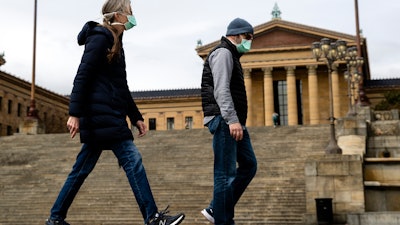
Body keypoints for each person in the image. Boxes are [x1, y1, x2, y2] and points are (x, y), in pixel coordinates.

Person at [45, 1, 185, 225]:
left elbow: (121, 86)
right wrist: (74, 113)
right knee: (133, 161)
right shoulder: (101, 37)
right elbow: (83, 74)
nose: (132, 16)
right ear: (119, 15)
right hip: (103, 117)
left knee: (81, 170)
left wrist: (136, 116)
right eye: (129, 12)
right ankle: (152, 218)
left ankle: (55, 217)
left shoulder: (116, 40)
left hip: (106, 117)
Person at [200, 18, 258, 225]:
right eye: (248, 37)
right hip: (225, 120)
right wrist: (232, 120)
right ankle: (223, 220)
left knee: (249, 165)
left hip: (235, 122)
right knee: (225, 174)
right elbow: (221, 89)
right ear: (237, 35)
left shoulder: (233, 55)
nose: (250, 42)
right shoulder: (224, 53)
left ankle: (217, 207)